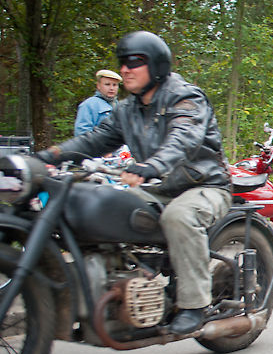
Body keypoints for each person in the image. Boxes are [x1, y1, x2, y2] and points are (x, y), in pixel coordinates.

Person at [36, 31, 231, 335]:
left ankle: (195, 305)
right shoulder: (127, 109)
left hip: (204, 185)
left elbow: (184, 138)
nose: (125, 69)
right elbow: (94, 139)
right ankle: (120, 287)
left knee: (179, 217)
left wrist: (151, 166)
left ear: (156, 66)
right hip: (158, 189)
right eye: (123, 63)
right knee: (102, 210)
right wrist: (47, 156)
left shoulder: (185, 96)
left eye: (135, 62)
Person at [74, 69, 123, 136]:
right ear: (98, 86)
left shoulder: (119, 106)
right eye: (107, 84)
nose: (111, 88)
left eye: (114, 85)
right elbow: (82, 134)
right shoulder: (88, 105)